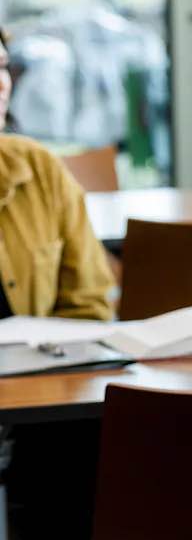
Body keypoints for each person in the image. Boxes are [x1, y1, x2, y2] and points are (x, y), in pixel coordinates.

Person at [0, 27, 113, 320]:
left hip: (40, 364)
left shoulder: (39, 167)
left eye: (2, 67)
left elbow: (89, 303)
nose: (2, 83)